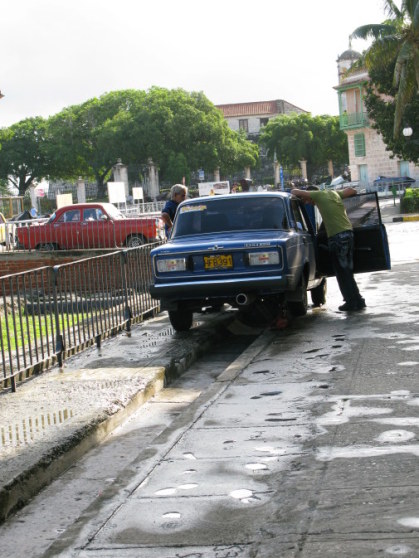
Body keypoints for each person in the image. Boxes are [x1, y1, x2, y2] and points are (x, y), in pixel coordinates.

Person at [291, 185, 366, 312]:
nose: (309, 203)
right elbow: (353, 190)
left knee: (342, 272)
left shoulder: (318, 195)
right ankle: (358, 300)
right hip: (348, 233)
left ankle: (351, 302)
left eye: (307, 200)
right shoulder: (333, 193)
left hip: (337, 237)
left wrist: (304, 194)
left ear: (311, 194)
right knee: (347, 270)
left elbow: (294, 191)